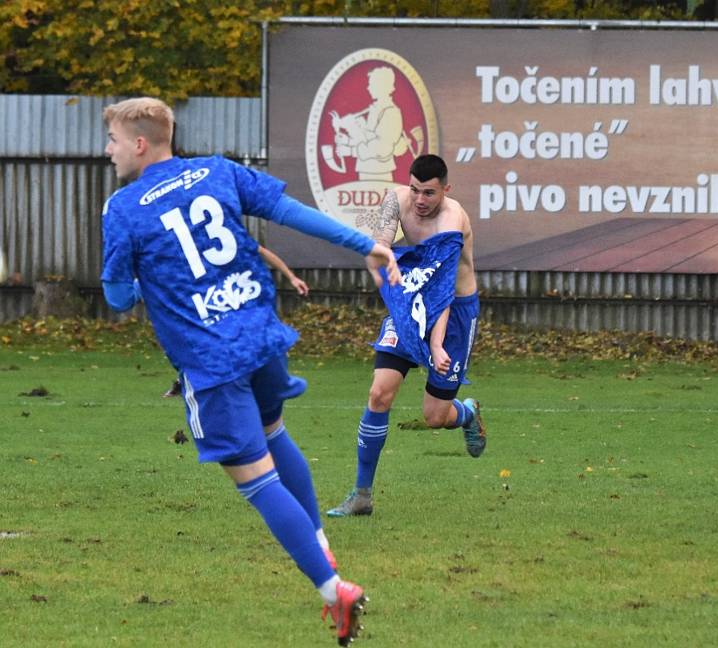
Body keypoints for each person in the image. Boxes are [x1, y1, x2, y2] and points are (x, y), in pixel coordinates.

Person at [100, 97, 400, 645]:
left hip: (209, 361)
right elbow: (290, 212)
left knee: (257, 483)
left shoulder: (122, 207)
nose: (108, 150)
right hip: (262, 338)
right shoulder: (218, 170)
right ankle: (318, 541)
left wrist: (150, 284)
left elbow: (118, 297)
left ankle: (334, 590)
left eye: (113, 141)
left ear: (140, 143)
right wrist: (368, 244)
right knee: (273, 432)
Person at [327, 154, 485, 518]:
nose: (419, 200)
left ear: (446, 189)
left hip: (454, 312)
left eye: (429, 193)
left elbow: (442, 292)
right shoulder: (396, 199)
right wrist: (388, 272)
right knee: (379, 392)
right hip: (413, 300)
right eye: (414, 189)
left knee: (434, 416)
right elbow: (379, 247)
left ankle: (467, 413)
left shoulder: (452, 222)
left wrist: (434, 342)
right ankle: (361, 495)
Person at [161, 245, 308, 398]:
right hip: (213, 300)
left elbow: (263, 252)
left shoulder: (228, 242)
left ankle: (271, 376)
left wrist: (291, 277)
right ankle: (190, 376)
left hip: (237, 298)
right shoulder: (189, 248)